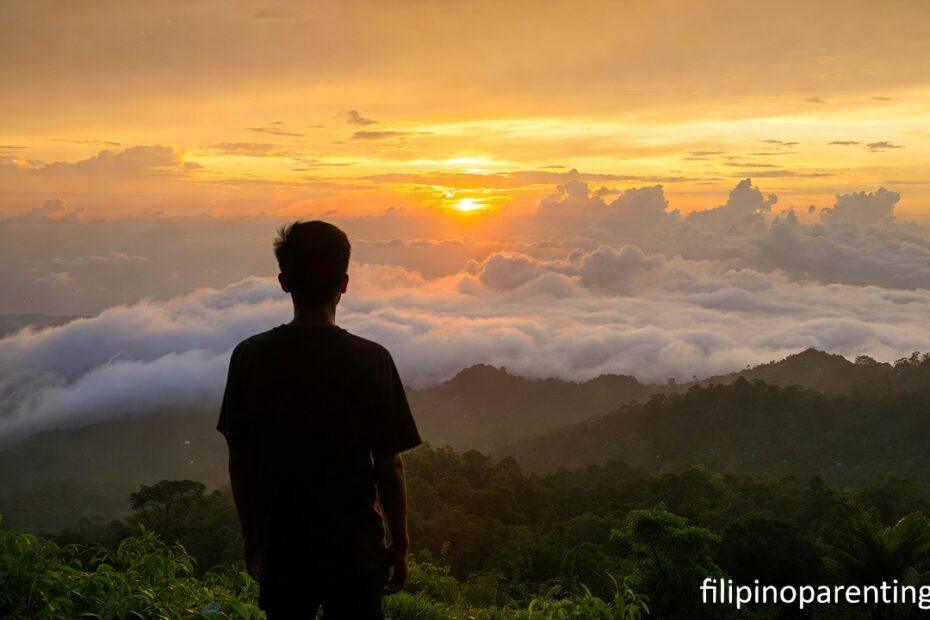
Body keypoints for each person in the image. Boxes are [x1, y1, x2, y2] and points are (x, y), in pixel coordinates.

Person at [217, 221, 421, 619]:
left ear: (283, 281)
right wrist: (400, 545)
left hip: (284, 548)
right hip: (355, 551)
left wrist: (251, 535)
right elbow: (388, 465)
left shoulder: (250, 357)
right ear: (344, 283)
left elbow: (240, 460)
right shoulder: (371, 360)